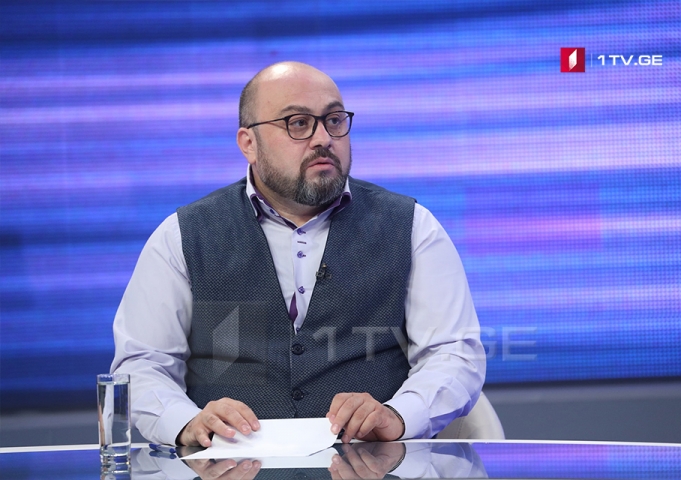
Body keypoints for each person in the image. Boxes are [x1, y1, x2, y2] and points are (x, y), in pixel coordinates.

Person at [111, 61, 485, 448]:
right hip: (227, 463)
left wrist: (398, 414)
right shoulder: (183, 235)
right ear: (248, 143)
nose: (323, 138)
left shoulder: (411, 226)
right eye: (298, 123)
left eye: (334, 120)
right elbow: (142, 364)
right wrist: (187, 422)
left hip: (371, 463)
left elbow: (454, 353)